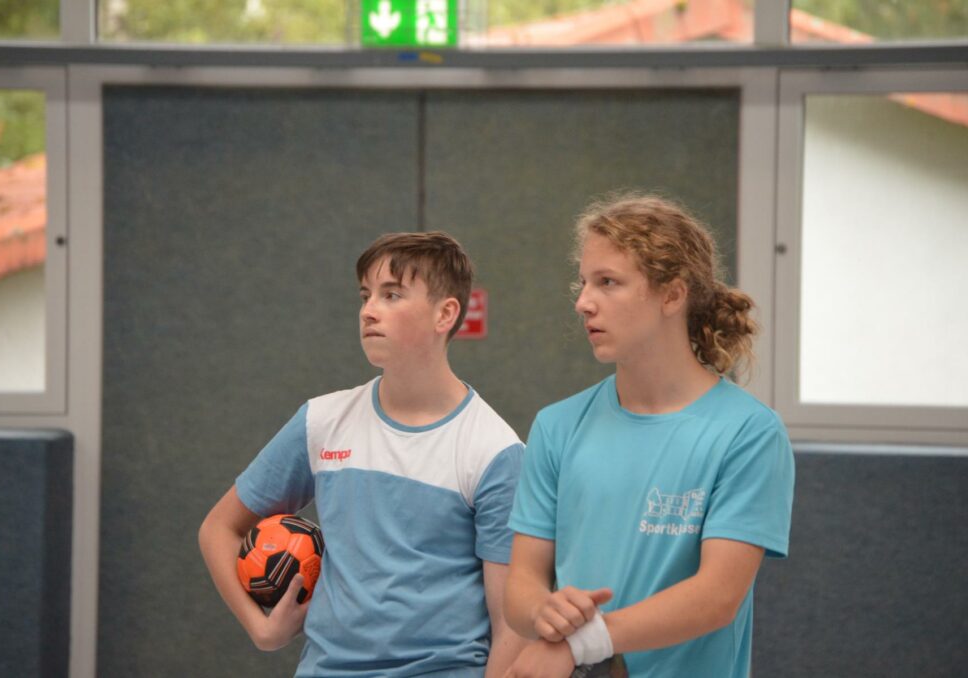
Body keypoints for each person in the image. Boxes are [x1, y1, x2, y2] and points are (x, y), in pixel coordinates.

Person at [199, 231, 527, 677]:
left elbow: (512, 628)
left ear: (445, 314)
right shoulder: (322, 420)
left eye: (391, 295)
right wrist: (263, 631)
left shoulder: (494, 450)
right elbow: (219, 527)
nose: (369, 310)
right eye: (365, 295)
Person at [502, 194, 795, 678]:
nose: (582, 302)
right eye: (583, 282)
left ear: (672, 295)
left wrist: (580, 643)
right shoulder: (557, 426)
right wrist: (542, 612)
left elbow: (717, 597)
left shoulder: (748, 433)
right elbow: (522, 585)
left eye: (608, 282)